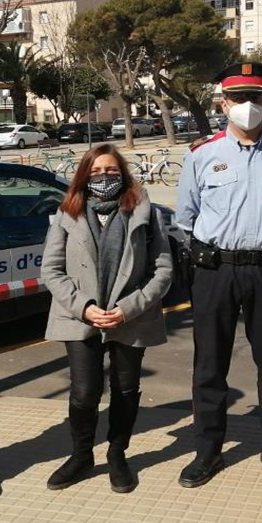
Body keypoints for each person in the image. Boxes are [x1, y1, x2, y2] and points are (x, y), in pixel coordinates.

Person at [175, 62, 262, 488]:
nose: (247, 106)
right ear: (223, 103)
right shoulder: (201, 154)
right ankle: (208, 451)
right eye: (239, 98)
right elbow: (184, 219)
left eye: (255, 97)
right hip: (216, 271)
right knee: (209, 365)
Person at [40, 144, 173, 493]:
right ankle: (81, 455)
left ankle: (118, 455)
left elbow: (162, 270)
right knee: (84, 392)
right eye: (96, 171)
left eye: (112, 171)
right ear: (84, 175)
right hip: (80, 316)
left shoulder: (145, 212)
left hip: (130, 316)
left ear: (124, 174)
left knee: (126, 389)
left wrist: (128, 308)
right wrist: (83, 307)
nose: (104, 177)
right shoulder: (66, 213)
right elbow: (51, 270)